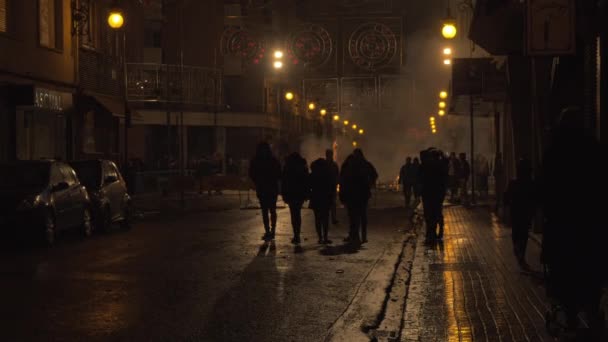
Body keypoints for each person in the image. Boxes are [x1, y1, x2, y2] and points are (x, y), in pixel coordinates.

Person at [540, 107, 606, 337]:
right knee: (590, 271)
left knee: (564, 273)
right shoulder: (593, 149)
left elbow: (545, 188)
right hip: (589, 223)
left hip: (562, 225)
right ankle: (592, 311)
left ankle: (570, 317)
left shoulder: (554, 152)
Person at [339, 148, 378, 245]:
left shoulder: (350, 165)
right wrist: (370, 183)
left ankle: (355, 235)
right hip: (361, 194)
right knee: (361, 215)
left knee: (353, 215)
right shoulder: (364, 164)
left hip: (353, 194)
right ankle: (361, 236)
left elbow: (343, 179)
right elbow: (374, 175)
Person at [504, 158, 536, 270]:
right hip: (525, 213)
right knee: (523, 235)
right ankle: (521, 255)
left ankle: (520, 254)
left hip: (517, 213)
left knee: (518, 234)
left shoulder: (514, 183)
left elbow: (506, 198)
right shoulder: (530, 184)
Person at [249, 142, 282, 241]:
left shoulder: (258, 160)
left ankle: (271, 230)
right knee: (268, 210)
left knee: (270, 210)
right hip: (267, 188)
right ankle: (269, 230)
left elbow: (252, 173)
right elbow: (279, 173)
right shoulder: (272, 160)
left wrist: (258, 181)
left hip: (266, 188)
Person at [419, 148, 448, 242]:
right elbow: (446, 162)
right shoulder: (440, 165)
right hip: (437, 193)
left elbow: (420, 179)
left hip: (428, 193)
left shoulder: (425, 165)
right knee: (436, 213)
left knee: (429, 213)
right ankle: (436, 231)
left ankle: (430, 232)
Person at [281, 152, 309, 245]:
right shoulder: (302, 167)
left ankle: (296, 234)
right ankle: (297, 234)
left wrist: (284, 194)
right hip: (299, 194)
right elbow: (306, 181)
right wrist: (306, 193)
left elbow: (284, 182)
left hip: (291, 194)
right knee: (298, 214)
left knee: (294, 214)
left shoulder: (287, 167)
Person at [310, 158, 335, 244]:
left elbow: (310, 185)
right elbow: (331, 186)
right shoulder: (328, 174)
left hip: (316, 198)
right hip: (325, 198)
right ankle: (325, 237)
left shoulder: (313, 174)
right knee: (325, 219)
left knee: (317, 219)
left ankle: (320, 237)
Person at [326, 149, 340, 225]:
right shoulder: (333, 165)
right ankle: (332, 218)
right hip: (329, 186)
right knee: (331, 204)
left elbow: (337, 175)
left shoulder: (332, 165)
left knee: (332, 204)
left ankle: (332, 218)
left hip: (331, 186)